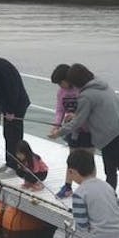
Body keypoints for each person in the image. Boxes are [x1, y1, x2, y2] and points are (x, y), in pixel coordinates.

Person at [49, 63, 119, 209]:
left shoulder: (86, 96)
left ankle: (107, 202)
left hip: (110, 135)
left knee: (111, 170)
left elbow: (78, 122)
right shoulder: (101, 84)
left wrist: (59, 132)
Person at [50, 64, 94, 199]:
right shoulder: (61, 93)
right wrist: (56, 125)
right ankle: (67, 187)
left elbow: (88, 110)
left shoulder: (81, 90)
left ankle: (90, 189)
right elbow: (59, 110)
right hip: (71, 130)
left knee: (89, 159)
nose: (60, 86)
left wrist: (75, 115)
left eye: (60, 82)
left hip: (87, 130)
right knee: (72, 158)